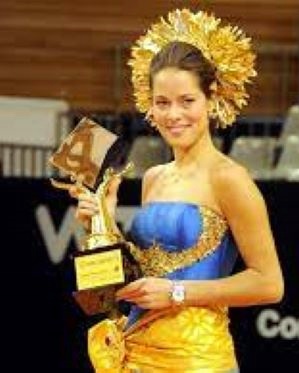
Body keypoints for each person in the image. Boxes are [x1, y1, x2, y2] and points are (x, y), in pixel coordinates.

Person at [70, 8, 284, 373]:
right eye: (162, 102)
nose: (174, 115)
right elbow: (137, 281)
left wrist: (178, 293)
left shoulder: (229, 178)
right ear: (149, 105)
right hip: (135, 352)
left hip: (196, 360)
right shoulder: (153, 177)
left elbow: (269, 284)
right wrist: (102, 223)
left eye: (187, 101)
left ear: (211, 98)